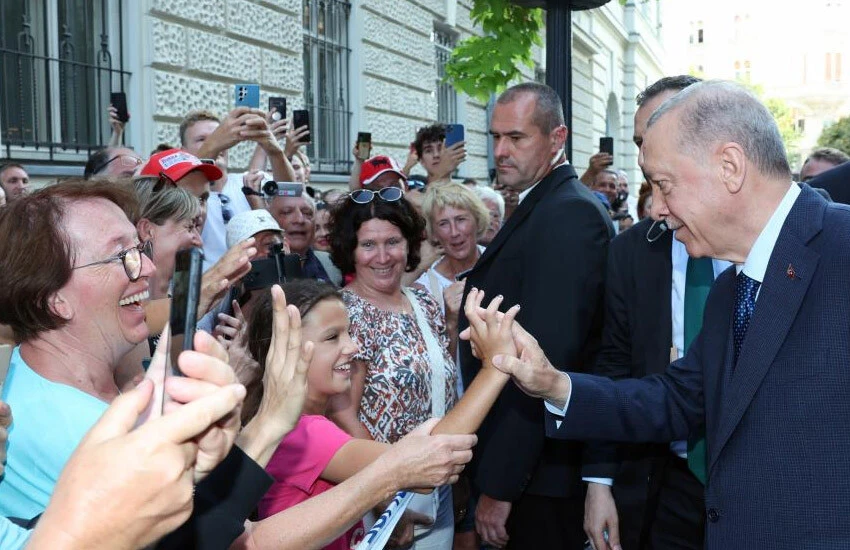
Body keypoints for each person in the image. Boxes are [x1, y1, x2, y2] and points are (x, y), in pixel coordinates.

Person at [487, 80, 850, 549]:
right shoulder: (730, 290)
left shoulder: (841, 251)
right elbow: (676, 400)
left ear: (730, 167)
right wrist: (555, 384)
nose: (655, 208)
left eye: (663, 184)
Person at [457, 82, 614, 550]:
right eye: (495, 137)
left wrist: (502, 487)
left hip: (538, 479)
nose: (501, 151)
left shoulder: (568, 214)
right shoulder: (546, 204)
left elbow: (544, 359)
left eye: (517, 138)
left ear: (557, 137)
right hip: (533, 471)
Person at [244, 281, 516, 549]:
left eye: (349, 332)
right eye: (332, 337)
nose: (353, 347)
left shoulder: (304, 425)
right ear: (285, 353)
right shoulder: (305, 433)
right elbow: (427, 457)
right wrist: (495, 368)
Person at [581, 75, 720, 550]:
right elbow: (615, 365)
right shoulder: (632, 251)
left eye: (662, 136)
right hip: (666, 483)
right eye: (641, 141)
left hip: (759, 483)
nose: (646, 158)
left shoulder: (766, 247)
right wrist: (598, 481)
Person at [326, 189, 460, 547]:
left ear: (410, 244)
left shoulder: (424, 302)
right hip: (381, 492)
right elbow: (342, 413)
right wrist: (383, 492)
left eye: (393, 242)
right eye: (368, 245)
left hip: (435, 485)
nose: (383, 257)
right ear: (350, 251)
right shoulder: (346, 313)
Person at [415, 182, 489, 357]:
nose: (454, 232)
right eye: (443, 223)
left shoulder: (501, 262)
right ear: (433, 233)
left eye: (461, 219)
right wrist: (450, 322)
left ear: (477, 220)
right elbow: (431, 366)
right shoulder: (424, 291)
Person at [267, 189, 342, 285]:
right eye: (286, 212)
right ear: (270, 220)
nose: (299, 219)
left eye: (307, 213)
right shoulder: (254, 268)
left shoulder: (330, 265)